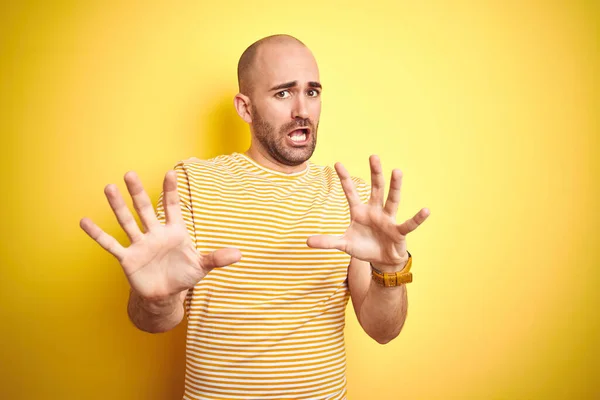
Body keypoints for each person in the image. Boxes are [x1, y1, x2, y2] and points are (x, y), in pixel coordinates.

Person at [80, 34, 430, 400]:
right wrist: (154, 298)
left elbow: (383, 330)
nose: (303, 110)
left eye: (312, 92)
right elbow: (153, 321)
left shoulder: (351, 198)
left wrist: (390, 271)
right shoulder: (191, 184)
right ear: (245, 108)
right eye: (283, 93)